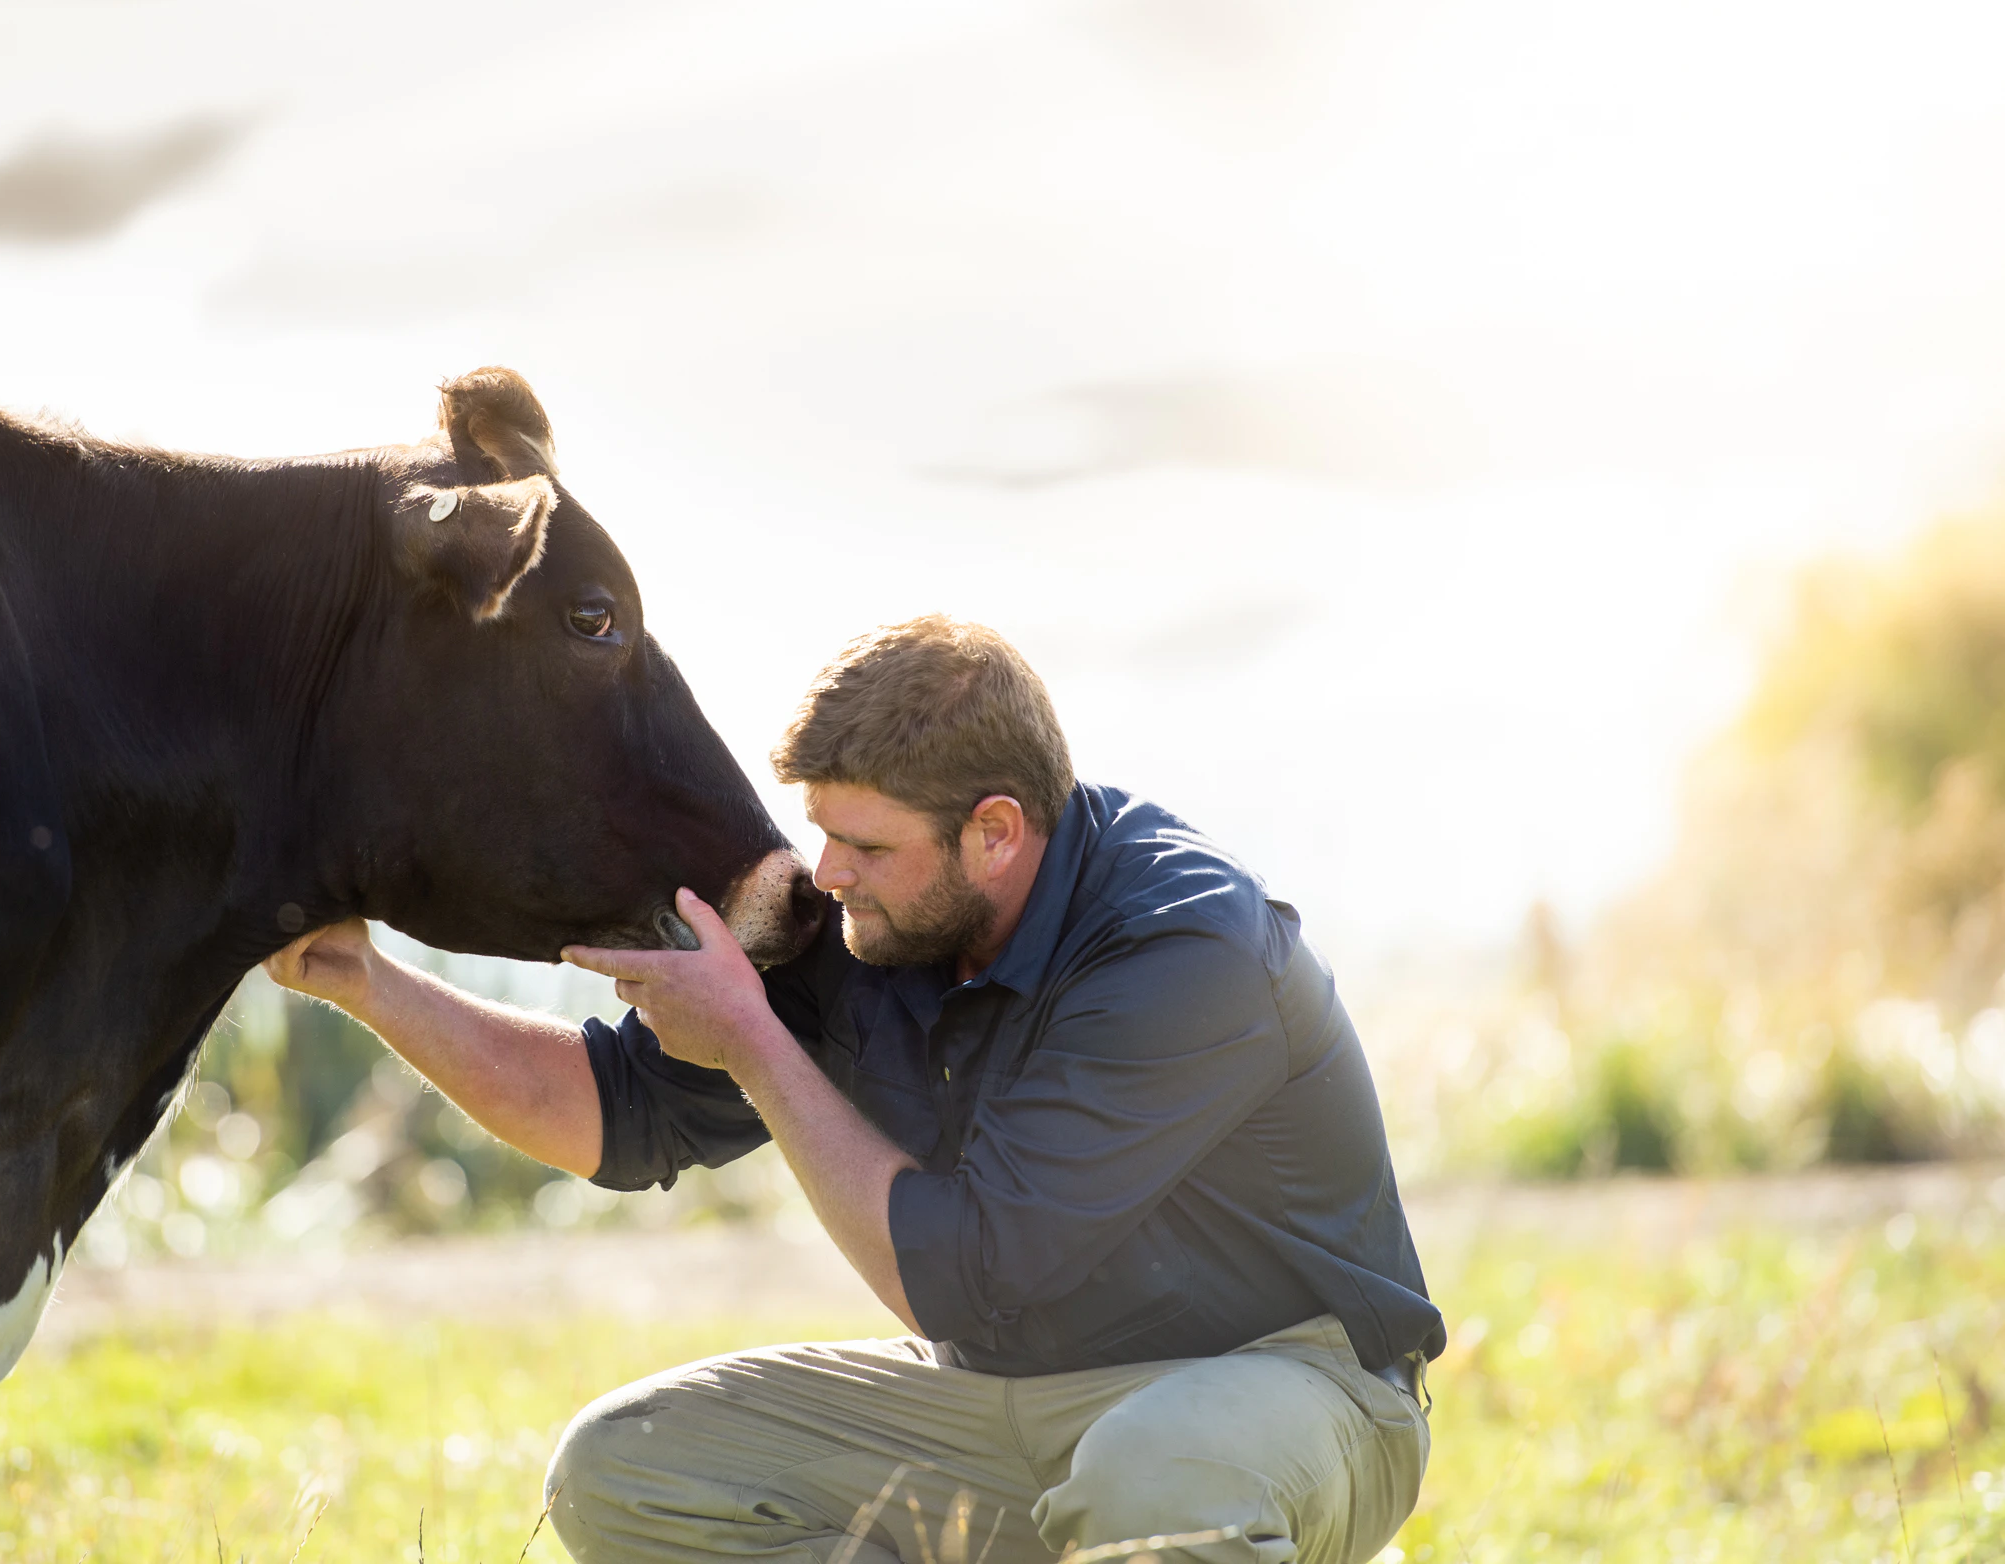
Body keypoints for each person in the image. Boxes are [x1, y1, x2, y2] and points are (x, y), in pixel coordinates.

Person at [268, 615, 1443, 1564]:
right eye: (822, 833)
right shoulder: (871, 929)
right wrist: (369, 982)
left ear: (995, 832)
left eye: (865, 848)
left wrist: (759, 1047)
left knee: (1156, 1479)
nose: (826, 876)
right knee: (622, 1468)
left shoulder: (1183, 954)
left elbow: (964, 1272)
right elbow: (610, 1117)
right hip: (1001, 1408)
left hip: (1283, 1394)